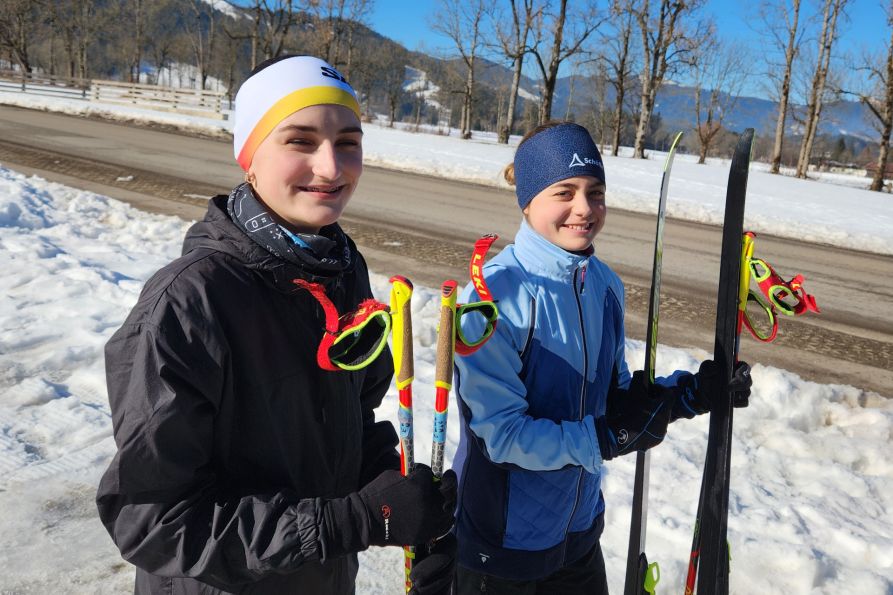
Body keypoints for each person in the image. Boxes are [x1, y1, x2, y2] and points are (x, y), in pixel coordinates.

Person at [96, 55, 456, 595]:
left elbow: (351, 416)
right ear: (249, 155)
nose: (332, 168)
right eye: (300, 140)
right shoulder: (190, 304)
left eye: (349, 141)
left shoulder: (339, 267)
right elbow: (153, 522)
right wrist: (352, 521)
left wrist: (399, 499)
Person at [450, 121, 752, 594]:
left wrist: (687, 394)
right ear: (528, 199)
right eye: (564, 192)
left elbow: (613, 395)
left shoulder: (604, 285)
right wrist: (606, 438)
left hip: (579, 535)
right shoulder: (491, 298)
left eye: (596, 192)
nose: (584, 209)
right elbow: (500, 437)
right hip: (502, 549)